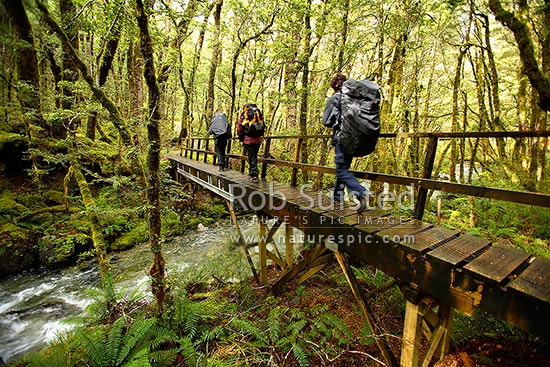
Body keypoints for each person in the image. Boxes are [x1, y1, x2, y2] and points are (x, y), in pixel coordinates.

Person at [322, 72, 370, 212]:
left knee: (341, 170)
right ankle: (337, 198)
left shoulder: (335, 99)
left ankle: (361, 192)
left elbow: (326, 121)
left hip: (342, 139)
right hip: (355, 139)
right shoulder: (355, 100)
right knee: (343, 169)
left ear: (333, 86)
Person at [237, 103, 263, 183]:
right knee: (253, 156)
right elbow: (262, 126)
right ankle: (252, 173)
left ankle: (254, 175)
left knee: (251, 156)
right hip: (258, 140)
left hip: (248, 140)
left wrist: (240, 136)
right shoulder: (258, 114)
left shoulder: (244, 115)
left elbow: (239, 127)